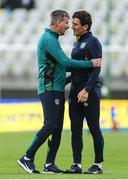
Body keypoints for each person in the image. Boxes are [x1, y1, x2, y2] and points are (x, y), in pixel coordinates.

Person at [17, 9, 101, 174]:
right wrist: (90, 64)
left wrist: (77, 78)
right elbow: (64, 61)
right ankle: (27, 157)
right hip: (49, 88)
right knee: (50, 125)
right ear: (58, 22)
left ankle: (49, 164)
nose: (68, 27)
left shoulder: (53, 39)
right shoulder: (48, 39)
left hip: (56, 88)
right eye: (66, 23)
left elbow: (62, 66)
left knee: (57, 127)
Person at [64, 10, 104, 174]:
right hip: (74, 92)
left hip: (89, 93)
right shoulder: (76, 43)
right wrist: (63, 81)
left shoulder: (93, 42)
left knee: (94, 128)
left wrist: (86, 90)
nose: (72, 27)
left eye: (75, 24)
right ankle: (76, 165)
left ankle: (98, 164)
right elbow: (76, 71)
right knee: (75, 129)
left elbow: (96, 69)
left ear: (85, 26)